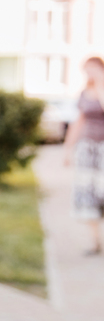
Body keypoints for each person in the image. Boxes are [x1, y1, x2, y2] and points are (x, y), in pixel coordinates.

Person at [63, 56, 104, 255]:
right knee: (88, 195)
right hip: (87, 150)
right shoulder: (84, 94)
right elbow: (78, 122)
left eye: (92, 69)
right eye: (86, 70)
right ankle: (94, 241)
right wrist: (68, 149)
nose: (89, 74)